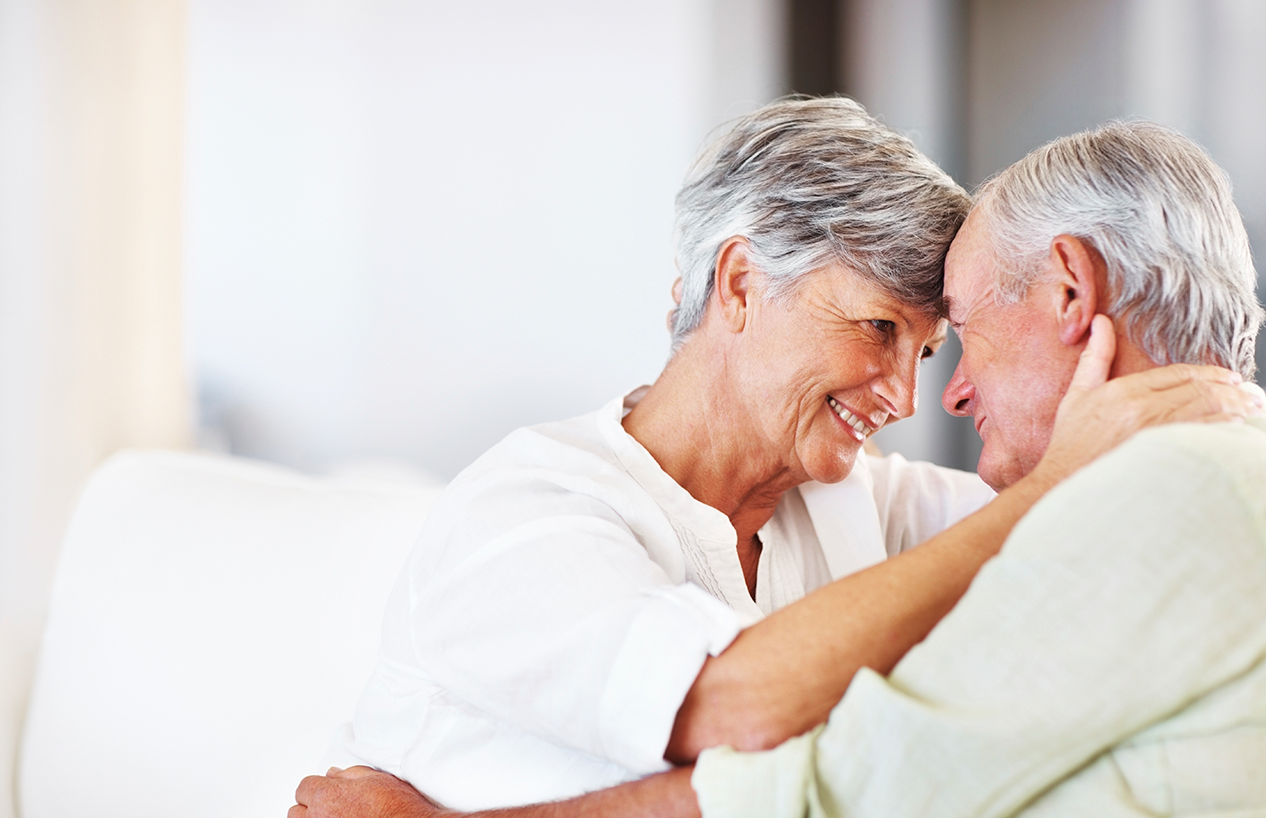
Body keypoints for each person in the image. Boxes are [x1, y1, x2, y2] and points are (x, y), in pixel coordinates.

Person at [293, 109, 1263, 817]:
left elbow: (1099, 522)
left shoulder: (862, 498)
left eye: (926, 348)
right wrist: (1060, 480)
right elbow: (731, 705)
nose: (907, 395)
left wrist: (1198, 403)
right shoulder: (528, 508)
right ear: (743, 281)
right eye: (879, 327)